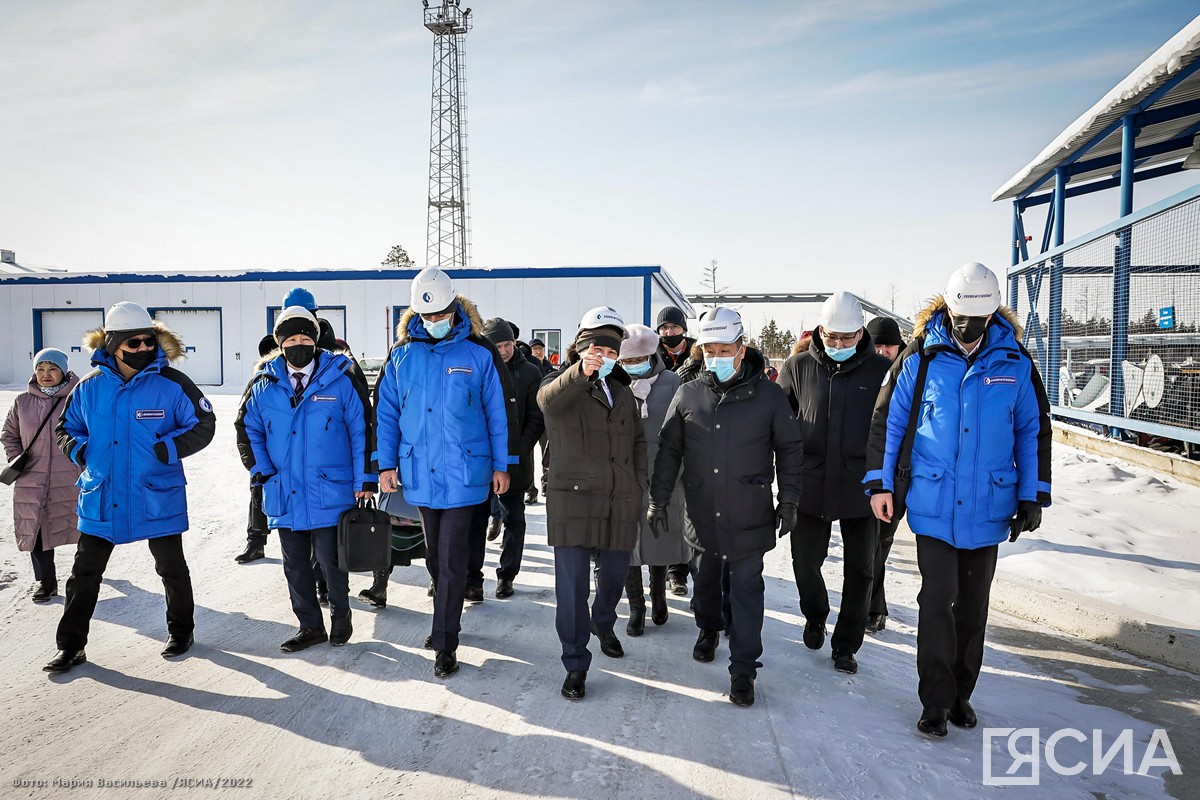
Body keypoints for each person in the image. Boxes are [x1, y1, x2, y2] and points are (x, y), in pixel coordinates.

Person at [865, 262, 1051, 737]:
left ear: (993, 315)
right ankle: (935, 701)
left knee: (973, 608)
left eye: (978, 319)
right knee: (937, 601)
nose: (968, 329)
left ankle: (962, 695)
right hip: (933, 503)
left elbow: (1033, 431)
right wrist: (880, 485)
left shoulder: (1016, 363)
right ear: (948, 310)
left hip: (988, 506)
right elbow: (889, 424)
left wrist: (1033, 495)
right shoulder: (920, 358)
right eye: (960, 317)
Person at [45, 302, 216, 672]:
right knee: (84, 574)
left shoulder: (172, 383)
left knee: (172, 569)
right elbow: (65, 428)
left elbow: (203, 424)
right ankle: (71, 646)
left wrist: (167, 447)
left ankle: (181, 631)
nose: (143, 349)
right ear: (112, 345)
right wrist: (82, 449)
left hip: (156, 493)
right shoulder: (89, 387)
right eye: (133, 343)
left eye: (148, 342)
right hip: (103, 494)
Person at [649, 307, 803, 707]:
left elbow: (790, 449)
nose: (715, 355)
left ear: (741, 347)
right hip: (700, 511)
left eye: (723, 348)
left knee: (748, 590)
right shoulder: (689, 393)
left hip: (749, 512)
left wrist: (789, 500)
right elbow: (668, 451)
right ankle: (708, 627)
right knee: (704, 583)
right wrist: (659, 499)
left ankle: (744, 670)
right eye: (709, 348)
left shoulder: (768, 395)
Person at [376, 268, 512, 679]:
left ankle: (445, 642)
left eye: (441, 315)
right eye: (427, 316)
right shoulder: (401, 356)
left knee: (451, 559)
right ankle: (446, 618)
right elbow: (387, 414)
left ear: (454, 308)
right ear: (416, 313)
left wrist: (502, 465)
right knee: (435, 558)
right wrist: (385, 464)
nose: (435, 322)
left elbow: (496, 414)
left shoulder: (477, 354)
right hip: (420, 472)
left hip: (465, 473)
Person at [235, 305, 376, 652]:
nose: (298, 345)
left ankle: (340, 616)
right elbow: (247, 428)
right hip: (284, 489)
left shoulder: (341, 378)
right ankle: (309, 625)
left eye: (305, 338)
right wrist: (263, 471)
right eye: (291, 339)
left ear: (315, 341)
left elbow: (362, 431)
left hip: (332, 487)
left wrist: (365, 479)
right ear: (280, 344)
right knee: (295, 564)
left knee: (331, 560)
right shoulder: (263, 383)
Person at [777, 292, 890, 675]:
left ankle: (846, 645)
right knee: (805, 562)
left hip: (862, 484)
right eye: (831, 336)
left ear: (861, 333)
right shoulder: (796, 367)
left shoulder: (879, 372)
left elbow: (892, 429)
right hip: (810, 480)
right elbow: (777, 421)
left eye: (847, 337)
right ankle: (815, 613)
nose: (838, 344)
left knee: (861, 569)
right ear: (820, 330)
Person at [538, 306, 646, 700]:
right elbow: (548, 402)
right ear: (580, 347)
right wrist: (579, 372)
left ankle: (603, 621)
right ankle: (575, 662)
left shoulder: (621, 392)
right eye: (596, 347)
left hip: (620, 499)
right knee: (572, 588)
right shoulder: (558, 382)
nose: (604, 355)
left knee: (614, 578)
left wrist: (640, 483)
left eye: (611, 349)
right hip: (573, 501)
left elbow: (637, 441)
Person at [618, 325, 688, 636]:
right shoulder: (614, 383)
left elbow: (684, 428)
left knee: (659, 536)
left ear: (653, 354)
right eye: (627, 361)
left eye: (639, 359)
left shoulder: (673, 382)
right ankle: (636, 605)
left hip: (663, 474)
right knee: (627, 542)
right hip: (625, 475)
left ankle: (658, 593)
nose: (633, 367)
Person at [2, 349, 81, 603]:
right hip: (31, 478)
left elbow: (94, 434)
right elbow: (9, 434)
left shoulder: (78, 398)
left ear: (64, 372)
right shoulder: (22, 402)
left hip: (69, 476)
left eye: (52, 369)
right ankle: (46, 581)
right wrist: (16, 459)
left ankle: (85, 576)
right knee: (35, 529)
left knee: (82, 527)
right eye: (40, 370)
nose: (45, 375)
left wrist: (81, 461)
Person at [474, 318, 544, 599]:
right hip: (480, 461)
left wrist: (518, 451)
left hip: (515, 461)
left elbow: (536, 417)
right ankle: (472, 577)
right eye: (497, 345)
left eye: (507, 345)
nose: (503, 350)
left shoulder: (529, 372)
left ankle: (507, 575)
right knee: (473, 520)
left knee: (515, 518)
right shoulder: (478, 368)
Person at [863, 315, 906, 633]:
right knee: (868, 545)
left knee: (880, 543)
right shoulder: (860, 371)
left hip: (895, 477)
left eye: (888, 347)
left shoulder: (907, 373)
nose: (882, 352)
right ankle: (870, 605)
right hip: (862, 474)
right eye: (876, 346)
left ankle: (874, 606)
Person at [655, 306, 696, 596]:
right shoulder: (650, 354)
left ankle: (679, 571)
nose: (669, 333)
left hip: (692, 435)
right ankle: (663, 570)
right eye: (664, 329)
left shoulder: (700, 355)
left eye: (673, 327)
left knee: (686, 506)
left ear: (683, 328)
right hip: (658, 435)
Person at [233, 334, 281, 565]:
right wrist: (254, 463)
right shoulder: (260, 380)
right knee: (258, 492)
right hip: (265, 455)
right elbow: (244, 423)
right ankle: (255, 542)